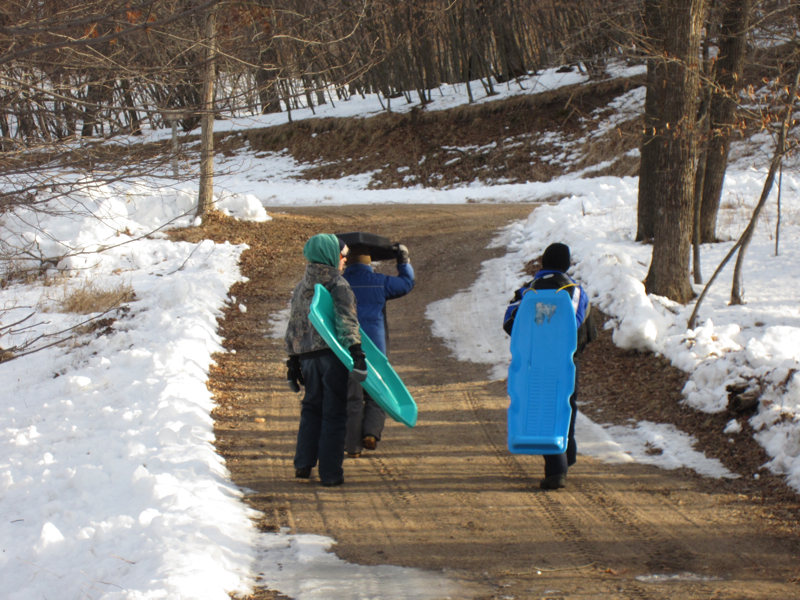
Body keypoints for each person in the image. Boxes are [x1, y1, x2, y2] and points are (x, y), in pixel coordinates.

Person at [502, 242, 597, 490]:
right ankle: (564, 458)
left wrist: (533, 339)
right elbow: (581, 328)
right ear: (567, 265)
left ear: (543, 262)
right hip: (566, 363)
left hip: (534, 363)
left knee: (544, 408)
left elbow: (509, 322)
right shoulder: (576, 292)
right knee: (565, 405)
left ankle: (558, 466)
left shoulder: (527, 291)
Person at [284, 234, 367, 487]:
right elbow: (346, 321)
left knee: (311, 408)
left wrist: (292, 361)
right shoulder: (338, 284)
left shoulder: (301, 286)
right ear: (331, 255)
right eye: (343, 255)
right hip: (332, 356)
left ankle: (303, 464)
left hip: (307, 358)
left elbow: (294, 324)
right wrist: (357, 353)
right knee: (334, 413)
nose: (345, 260)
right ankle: (330, 474)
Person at [340, 239, 415, 457]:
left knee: (352, 397)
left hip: (346, 348)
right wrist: (403, 260)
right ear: (368, 262)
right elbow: (407, 283)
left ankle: (353, 447)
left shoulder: (339, 283)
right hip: (375, 348)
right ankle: (371, 433)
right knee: (377, 393)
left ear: (347, 261)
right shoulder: (379, 282)